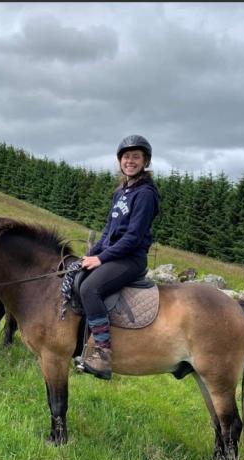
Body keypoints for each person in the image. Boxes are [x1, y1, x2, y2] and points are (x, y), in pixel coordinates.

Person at [78, 134, 160, 380]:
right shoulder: (121, 192)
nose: (130, 161)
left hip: (131, 259)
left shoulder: (145, 194)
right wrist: (90, 255)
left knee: (90, 289)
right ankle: (79, 344)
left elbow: (133, 238)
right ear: (120, 161)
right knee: (77, 276)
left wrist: (101, 260)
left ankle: (102, 355)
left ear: (145, 161)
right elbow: (108, 233)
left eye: (136, 157)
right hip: (116, 255)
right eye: (126, 157)